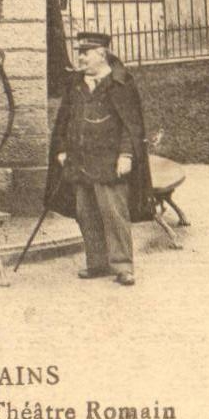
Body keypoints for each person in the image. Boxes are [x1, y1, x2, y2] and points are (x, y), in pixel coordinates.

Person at [45, 31, 154, 287]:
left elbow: (132, 125)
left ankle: (123, 266)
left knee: (114, 213)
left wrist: (126, 155)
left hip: (109, 162)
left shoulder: (121, 83)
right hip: (80, 160)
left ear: (101, 54)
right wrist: (61, 149)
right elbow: (63, 120)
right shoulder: (75, 84)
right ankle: (97, 263)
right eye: (79, 52)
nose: (80, 58)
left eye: (86, 53)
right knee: (86, 212)